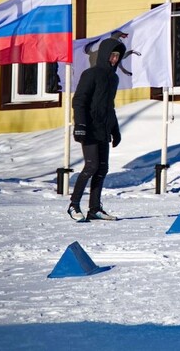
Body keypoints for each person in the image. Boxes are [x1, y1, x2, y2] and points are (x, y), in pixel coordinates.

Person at [67, 37, 127, 222]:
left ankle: (94, 209)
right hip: (89, 128)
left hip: (103, 129)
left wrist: (115, 130)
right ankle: (73, 205)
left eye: (118, 56)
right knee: (91, 166)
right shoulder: (90, 74)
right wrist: (80, 125)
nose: (115, 59)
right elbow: (79, 100)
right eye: (112, 55)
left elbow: (109, 106)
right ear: (104, 55)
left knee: (103, 168)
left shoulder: (114, 78)